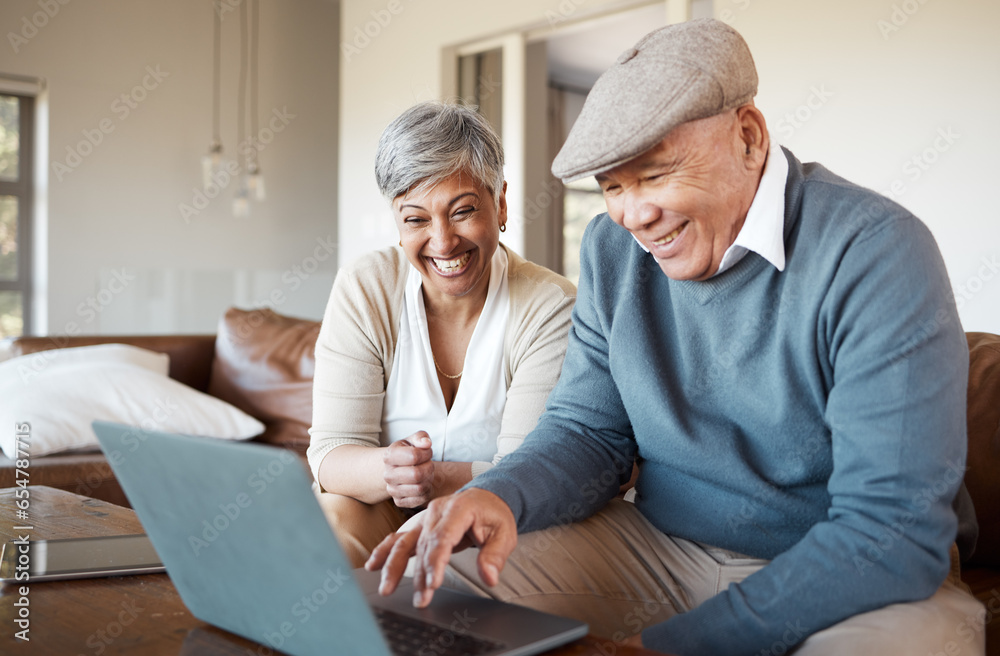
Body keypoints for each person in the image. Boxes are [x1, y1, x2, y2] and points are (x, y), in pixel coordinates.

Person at [367, 19, 986, 656]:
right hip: (658, 549)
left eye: (656, 175)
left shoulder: (874, 252)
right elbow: (587, 431)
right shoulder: (612, 251)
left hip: (845, 574)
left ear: (748, 137)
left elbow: (889, 534)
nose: (634, 216)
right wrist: (497, 495)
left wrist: (673, 645)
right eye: (612, 188)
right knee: (414, 595)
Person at [307, 102, 576, 568]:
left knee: (454, 546)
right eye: (416, 219)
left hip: (496, 520)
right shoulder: (366, 287)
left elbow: (523, 474)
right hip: (384, 513)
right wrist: (389, 472)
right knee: (334, 515)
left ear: (502, 203)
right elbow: (330, 454)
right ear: (397, 221)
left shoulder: (550, 306)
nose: (443, 241)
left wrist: (433, 479)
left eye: (463, 211)